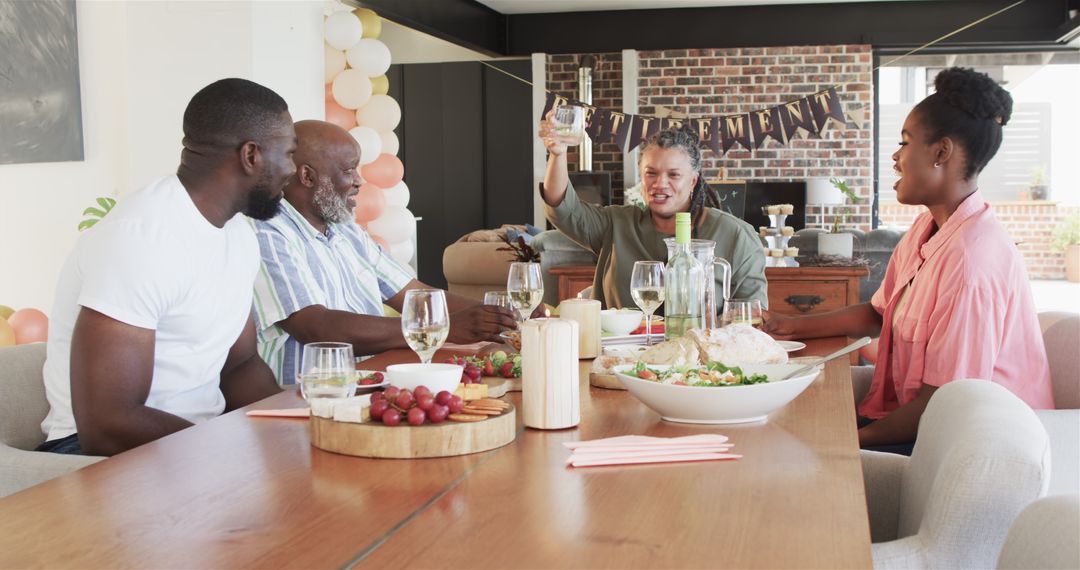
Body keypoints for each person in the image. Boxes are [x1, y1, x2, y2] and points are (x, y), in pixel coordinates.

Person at [763, 67, 1054, 454]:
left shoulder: (972, 263)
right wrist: (788, 326)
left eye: (905, 143)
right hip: (918, 418)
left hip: (969, 445)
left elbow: (946, 402)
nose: (896, 158)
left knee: (793, 447)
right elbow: (877, 313)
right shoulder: (925, 228)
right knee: (781, 421)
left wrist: (844, 441)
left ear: (941, 152)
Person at [39, 78, 294, 456]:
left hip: (195, 441)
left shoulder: (237, 234)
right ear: (251, 155)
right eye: (288, 153)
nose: (292, 169)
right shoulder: (141, 239)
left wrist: (298, 422)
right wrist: (226, 450)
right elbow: (107, 423)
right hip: (93, 455)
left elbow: (239, 365)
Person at [250, 120, 518, 384]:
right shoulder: (267, 232)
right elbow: (316, 326)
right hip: (305, 399)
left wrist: (505, 317)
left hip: (369, 382)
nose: (359, 181)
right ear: (307, 176)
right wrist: (440, 327)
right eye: (349, 170)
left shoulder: (345, 230)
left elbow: (410, 292)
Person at [538, 118, 767, 312]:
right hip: (619, 359)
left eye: (674, 175)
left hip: (700, 361)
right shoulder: (616, 224)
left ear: (693, 181)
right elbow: (563, 209)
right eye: (651, 173)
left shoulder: (735, 236)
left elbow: (752, 316)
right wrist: (557, 154)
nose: (660, 184)